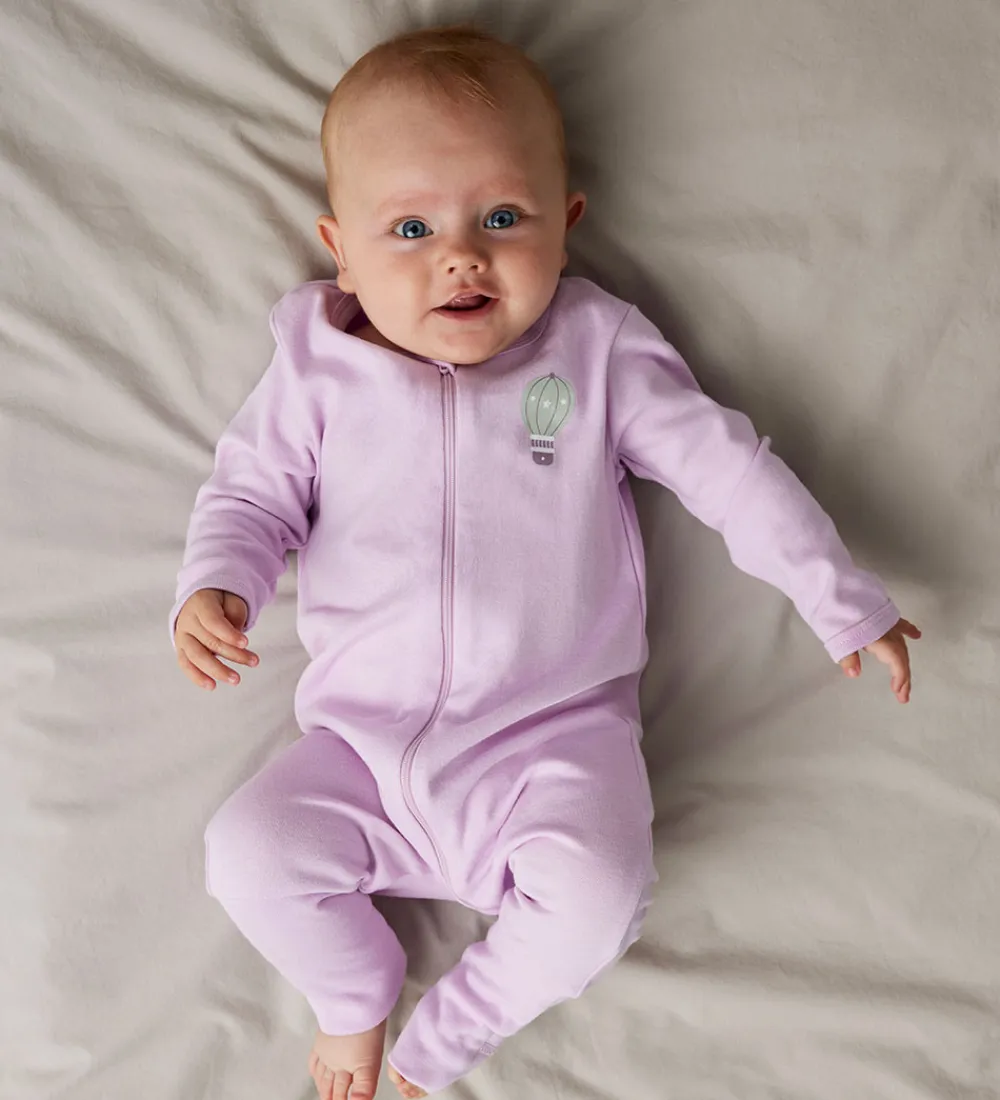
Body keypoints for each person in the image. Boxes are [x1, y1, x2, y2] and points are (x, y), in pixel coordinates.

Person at [170, 25, 920, 1100]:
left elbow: (726, 470)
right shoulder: (313, 366)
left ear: (566, 223)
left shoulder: (595, 351)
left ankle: (439, 1043)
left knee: (600, 897)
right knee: (244, 852)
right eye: (411, 228)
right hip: (361, 750)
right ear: (342, 250)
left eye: (502, 218)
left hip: (550, 748)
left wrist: (837, 596)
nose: (460, 256)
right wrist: (217, 585)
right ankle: (353, 989)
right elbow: (251, 493)